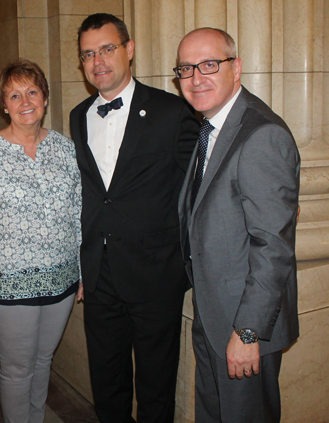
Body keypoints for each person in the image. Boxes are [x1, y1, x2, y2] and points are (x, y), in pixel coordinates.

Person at [69, 13, 200, 423]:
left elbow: (199, 189)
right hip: (99, 273)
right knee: (107, 381)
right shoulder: (78, 115)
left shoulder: (172, 111)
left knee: (156, 385)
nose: (98, 61)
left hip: (155, 273)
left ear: (129, 50)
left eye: (107, 49)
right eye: (88, 54)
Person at [175, 28, 300, 422]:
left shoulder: (262, 135)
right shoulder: (211, 128)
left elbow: (273, 247)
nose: (196, 78)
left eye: (209, 64)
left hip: (244, 327)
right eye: (185, 69)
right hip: (214, 316)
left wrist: (248, 334)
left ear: (237, 67)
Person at [0, 58, 82, 423]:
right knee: (16, 370)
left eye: (31, 92)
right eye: (14, 94)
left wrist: (83, 270)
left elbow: (78, 213)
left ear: (44, 97)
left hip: (61, 280)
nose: (24, 101)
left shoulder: (65, 148)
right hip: (9, 286)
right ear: (4, 104)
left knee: (43, 362)